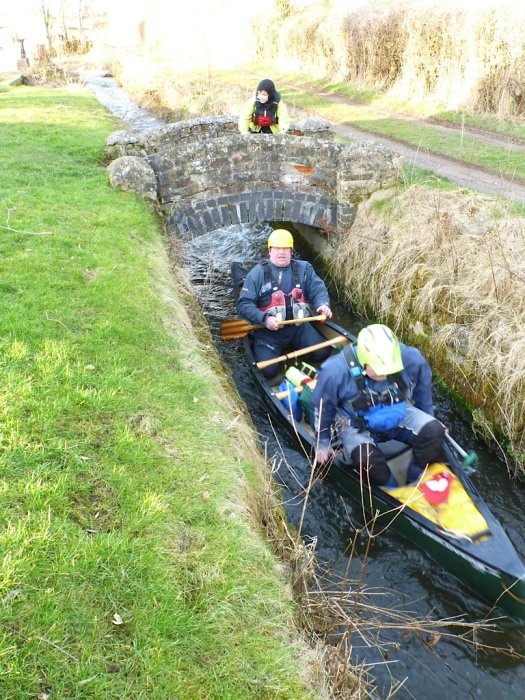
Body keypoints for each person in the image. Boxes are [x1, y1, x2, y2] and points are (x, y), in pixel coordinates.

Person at [310, 323, 445, 487]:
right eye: (379, 370)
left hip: (397, 412)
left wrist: (429, 418)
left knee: (434, 431)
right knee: (366, 459)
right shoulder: (335, 371)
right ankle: (392, 489)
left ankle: (415, 479)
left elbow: (423, 391)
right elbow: (322, 406)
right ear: (364, 361)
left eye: (388, 370)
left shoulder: (411, 359)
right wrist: (322, 443)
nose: (385, 375)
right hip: (355, 424)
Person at [237, 229, 332, 378]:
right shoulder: (257, 274)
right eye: (277, 248)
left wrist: (322, 304)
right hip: (267, 334)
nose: (281, 252)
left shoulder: (304, 268)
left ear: (291, 250)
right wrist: (264, 319)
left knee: (323, 352)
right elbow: (244, 304)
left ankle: (295, 354)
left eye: (285, 248)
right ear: (270, 250)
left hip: (298, 329)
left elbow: (317, 289)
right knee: (268, 371)